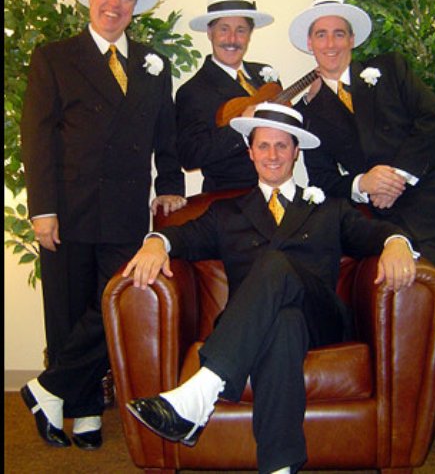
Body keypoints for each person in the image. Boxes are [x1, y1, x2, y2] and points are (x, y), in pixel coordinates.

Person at [121, 102, 418, 473]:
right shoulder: (226, 212)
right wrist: (156, 242)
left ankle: (205, 386)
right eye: (263, 146)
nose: (272, 155)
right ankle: (279, 467)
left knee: (275, 263)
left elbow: (374, 233)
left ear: (296, 152)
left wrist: (396, 243)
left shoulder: (329, 208)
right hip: (261, 327)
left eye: (281, 146)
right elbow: (182, 236)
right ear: (250, 152)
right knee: (282, 324)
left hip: (321, 321)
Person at [289, 0, 435, 450]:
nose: (330, 42)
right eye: (321, 34)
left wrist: (398, 174)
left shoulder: (391, 68)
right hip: (394, 219)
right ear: (309, 43)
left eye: (338, 33)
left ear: (352, 40)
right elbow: (323, 179)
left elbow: (432, 120)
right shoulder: (308, 110)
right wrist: (362, 183)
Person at [20, 0, 186, 450]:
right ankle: (84, 409)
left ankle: (48, 388)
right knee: (67, 310)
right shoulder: (54, 56)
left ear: (136, 6)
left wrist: (170, 187)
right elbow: (37, 136)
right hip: (67, 208)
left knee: (114, 304)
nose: (115, 3)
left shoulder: (154, 63)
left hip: (125, 208)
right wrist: (42, 208)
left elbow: (166, 134)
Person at [175, 0, 281, 191]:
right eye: (224, 29)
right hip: (229, 198)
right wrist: (240, 129)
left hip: (277, 191)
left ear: (250, 34)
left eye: (241, 30)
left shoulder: (266, 76)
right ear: (210, 32)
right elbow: (189, 156)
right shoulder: (192, 91)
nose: (232, 39)